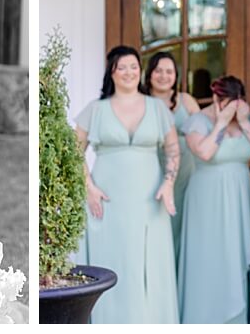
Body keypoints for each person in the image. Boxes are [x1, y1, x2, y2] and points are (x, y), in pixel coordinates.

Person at [75, 46, 180, 323]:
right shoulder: (96, 109)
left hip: (150, 200)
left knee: (149, 264)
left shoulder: (157, 107)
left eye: (134, 66)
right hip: (109, 199)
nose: (129, 72)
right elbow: (74, 151)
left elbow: (172, 150)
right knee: (114, 259)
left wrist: (169, 183)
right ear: (112, 71)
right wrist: (89, 187)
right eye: (122, 67)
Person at [177, 76, 250, 323]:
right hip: (207, 198)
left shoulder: (246, 120)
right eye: (228, 103)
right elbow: (204, 152)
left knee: (236, 255)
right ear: (217, 100)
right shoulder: (197, 122)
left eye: (237, 103)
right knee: (209, 255)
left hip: (240, 194)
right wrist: (221, 123)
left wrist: (245, 121)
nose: (233, 108)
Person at [143, 51, 200, 261]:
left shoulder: (186, 101)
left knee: (182, 223)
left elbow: (204, 129)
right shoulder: (141, 102)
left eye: (169, 71)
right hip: (151, 167)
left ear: (176, 76)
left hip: (186, 171)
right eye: (158, 71)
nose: (163, 76)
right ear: (149, 74)